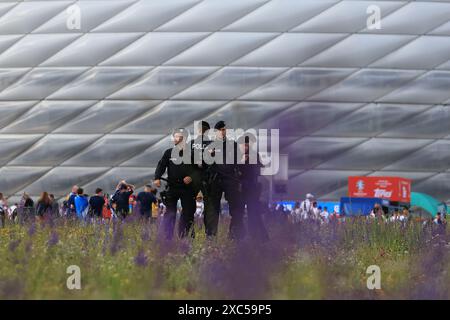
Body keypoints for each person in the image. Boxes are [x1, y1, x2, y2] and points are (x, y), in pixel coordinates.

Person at [154, 128, 196, 240]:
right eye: (175, 136)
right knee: (170, 212)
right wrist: (157, 177)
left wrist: (191, 177)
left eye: (178, 137)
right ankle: (167, 237)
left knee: (188, 213)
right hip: (172, 186)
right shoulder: (169, 152)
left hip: (187, 188)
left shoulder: (192, 153)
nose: (175, 139)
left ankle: (185, 237)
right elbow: (161, 165)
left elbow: (199, 170)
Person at [206, 121, 244, 240]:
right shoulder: (210, 145)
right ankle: (211, 236)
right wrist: (210, 155)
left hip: (230, 178)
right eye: (221, 130)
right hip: (216, 179)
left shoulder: (232, 144)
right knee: (213, 209)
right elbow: (205, 162)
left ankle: (233, 235)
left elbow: (238, 160)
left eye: (224, 129)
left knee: (236, 208)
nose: (223, 132)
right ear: (216, 132)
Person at [237, 133, 269, 242]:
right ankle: (239, 235)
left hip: (252, 187)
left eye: (248, 145)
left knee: (254, 213)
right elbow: (233, 170)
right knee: (239, 213)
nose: (246, 147)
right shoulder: (237, 155)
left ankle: (257, 236)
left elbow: (259, 168)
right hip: (241, 187)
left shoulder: (254, 155)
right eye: (244, 145)